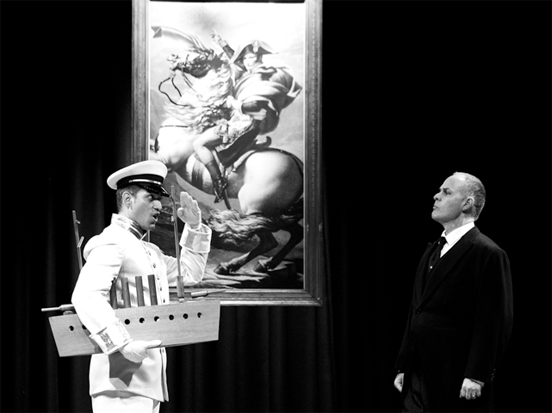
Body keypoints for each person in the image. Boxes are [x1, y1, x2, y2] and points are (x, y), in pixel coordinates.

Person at [71, 160, 212, 413]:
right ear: (128, 199)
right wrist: (122, 344)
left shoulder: (150, 251)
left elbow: (190, 273)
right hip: (119, 377)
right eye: (151, 198)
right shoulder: (112, 241)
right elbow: (86, 295)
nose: (159, 205)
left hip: (147, 381)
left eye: (159, 198)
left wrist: (195, 228)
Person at [393, 172, 513, 412]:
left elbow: (494, 319)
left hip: (455, 376)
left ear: (467, 203)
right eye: (439, 191)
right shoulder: (433, 250)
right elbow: (417, 309)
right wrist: (404, 363)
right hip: (418, 373)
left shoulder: (487, 253)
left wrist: (477, 374)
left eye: (446, 192)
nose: (436, 196)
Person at [192, 35, 302, 204]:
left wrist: (234, 104)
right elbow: (237, 61)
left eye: (251, 58)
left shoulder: (261, 77)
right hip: (242, 122)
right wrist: (223, 44)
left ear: (259, 57)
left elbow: (257, 107)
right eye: (245, 58)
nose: (247, 62)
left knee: (199, 143)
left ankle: (218, 183)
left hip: (242, 126)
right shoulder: (252, 74)